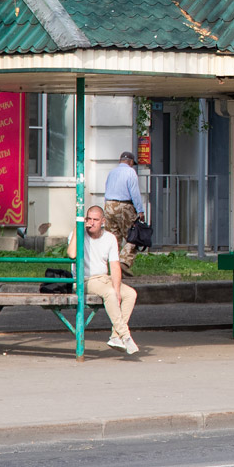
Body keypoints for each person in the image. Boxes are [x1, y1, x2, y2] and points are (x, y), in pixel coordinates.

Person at [83, 204, 139, 354]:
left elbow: (114, 266)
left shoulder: (109, 238)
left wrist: (117, 288)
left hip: (104, 278)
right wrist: (78, 229)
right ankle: (125, 336)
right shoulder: (80, 235)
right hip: (86, 280)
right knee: (110, 293)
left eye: (95, 219)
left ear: (103, 221)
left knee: (130, 294)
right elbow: (71, 254)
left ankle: (115, 336)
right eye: (89, 219)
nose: (91, 223)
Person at [102, 151, 146, 275]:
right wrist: (140, 210)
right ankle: (123, 262)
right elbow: (135, 193)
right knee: (135, 235)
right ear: (131, 162)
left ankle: (112, 267)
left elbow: (107, 189)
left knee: (113, 238)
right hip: (124, 206)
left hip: (109, 206)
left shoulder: (112, 172)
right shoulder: (130, 172)